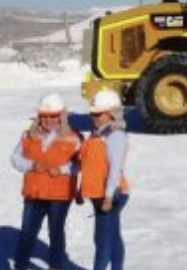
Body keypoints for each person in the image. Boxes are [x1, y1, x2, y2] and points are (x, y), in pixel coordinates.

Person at [10, 92, 82, 270]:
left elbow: (80, 165)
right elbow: (15, 158)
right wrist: (32, 165)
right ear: (39, 116)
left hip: (59, 196)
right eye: (45, 116)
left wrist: (62, 169)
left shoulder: (74, 137)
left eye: (54, 116)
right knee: (27, 235)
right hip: (34, 194)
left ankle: (56, 267)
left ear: (61, 116)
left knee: (56, 235)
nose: (49, 120)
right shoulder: (28, 135)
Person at [80, 89, 130, 270]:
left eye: (97, 113)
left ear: (111, 114)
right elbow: (89, 165)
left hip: (111, 194)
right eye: (92, 113)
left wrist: (108, 197)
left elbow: (115, 169)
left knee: (102, 240)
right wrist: (80, 190)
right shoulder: (97, 134)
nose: (93, 116)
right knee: (112, 236)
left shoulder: (115, 135)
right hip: (99, 194)